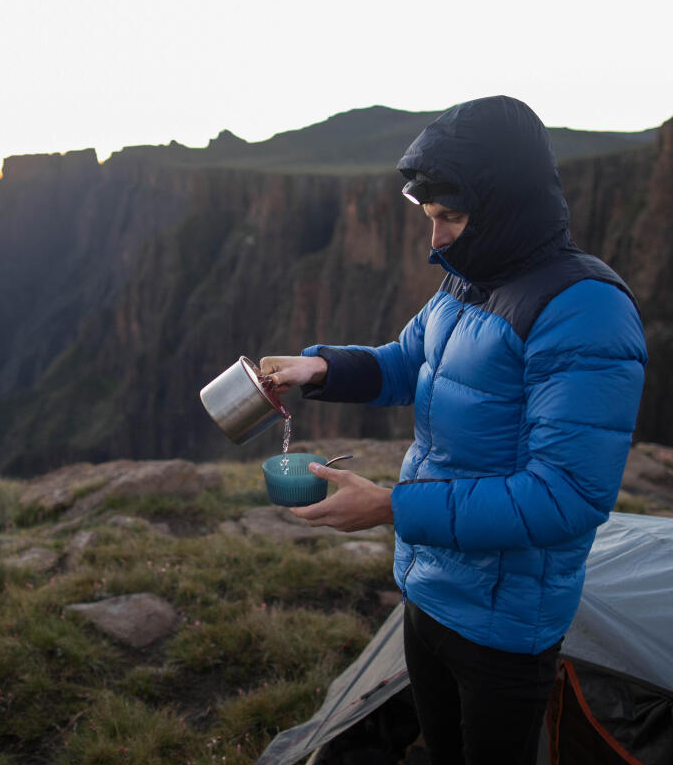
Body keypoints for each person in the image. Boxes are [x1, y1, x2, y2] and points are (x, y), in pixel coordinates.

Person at [259, 95, 647, 765]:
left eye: (451, 217)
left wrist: (390, 506)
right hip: (426, 588)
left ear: (507, 205)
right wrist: (318, 368)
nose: (435, 238)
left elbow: (565, 497)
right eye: (431, 217)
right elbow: (410, 362)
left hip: (503, 626)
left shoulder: (585, 311)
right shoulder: (468, 281)